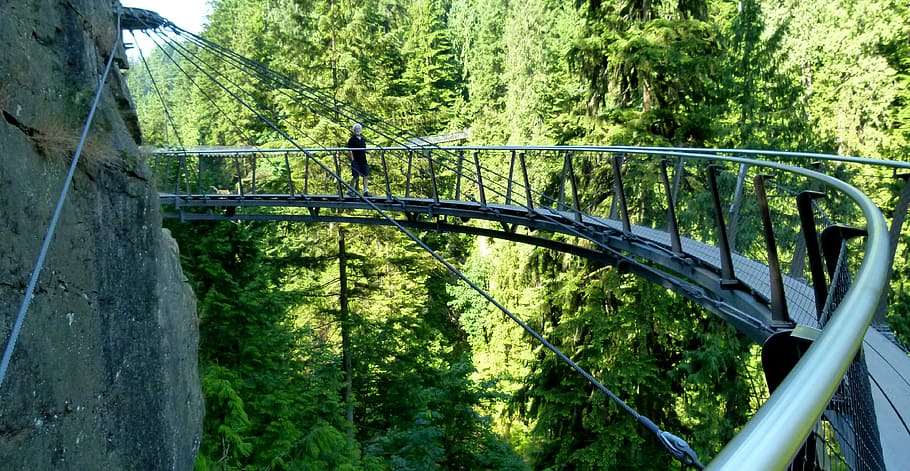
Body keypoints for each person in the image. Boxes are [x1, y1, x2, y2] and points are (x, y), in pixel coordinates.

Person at [347, 123, 370, 196]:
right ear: (354, 130)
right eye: (356, 129)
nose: (358, 130)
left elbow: (364, 149)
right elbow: (350, 150)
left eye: (359, 129)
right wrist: (352, 160)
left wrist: (369, 153)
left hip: (363, 160)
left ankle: (366, 191)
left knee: (366, 175)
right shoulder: (351, 140)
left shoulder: (363, 139)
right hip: (356, 161)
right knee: (355, 176)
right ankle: (350, 190)